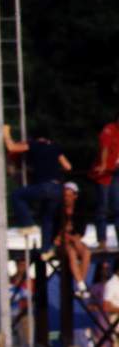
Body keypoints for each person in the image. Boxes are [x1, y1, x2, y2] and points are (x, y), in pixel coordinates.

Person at [3, 123, 72, 255]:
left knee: (17, 195)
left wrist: (6, 134)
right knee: (47, 218)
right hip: (58, 188)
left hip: (44, 186)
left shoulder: (35, 145)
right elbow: (68, 166)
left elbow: (12, 147)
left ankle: (28, 223)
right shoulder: (55, 146)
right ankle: (46, 250)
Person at [57, 181, 93, 298]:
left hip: (73, 239)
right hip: (61, 242)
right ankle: (82, 286)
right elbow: (56, 234)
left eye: (69, 195)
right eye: (65, 195)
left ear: (75, 196)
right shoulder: (58, 211)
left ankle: (80, 284)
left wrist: (74, 238)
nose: (66, 198)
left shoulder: (79, 211)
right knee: (71, 253)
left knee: (86, 252)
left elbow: (80, 232)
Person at [89, 113, 119, 250]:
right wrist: (103, 163)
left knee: (117, 207)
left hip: (114, 173)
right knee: (103, 207)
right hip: (104, 174)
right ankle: (102, 240)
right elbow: (104, 147)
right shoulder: (109, 129)